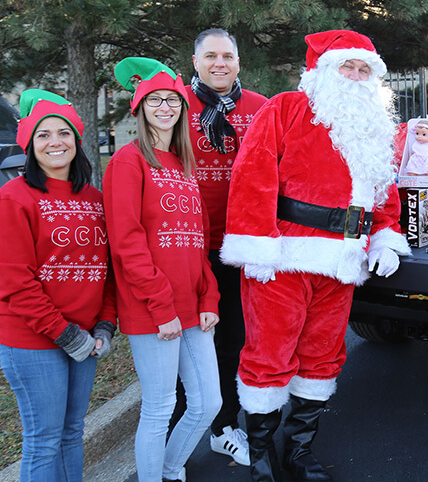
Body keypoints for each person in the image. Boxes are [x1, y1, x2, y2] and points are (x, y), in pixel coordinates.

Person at [220, 29, 410, 481]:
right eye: (349, 66)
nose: (357, 76)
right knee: (269, 356)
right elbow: (252, 175)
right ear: (323, 70)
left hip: (343, 262)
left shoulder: (374, 124)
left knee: (323, 357)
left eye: (365, 70)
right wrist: (257, 245)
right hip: (284, 257)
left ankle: (299, 450)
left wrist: (385, 236)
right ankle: (261, 452)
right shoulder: (286, 108)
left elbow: (384, 191)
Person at [104, 57, 222, 482]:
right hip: (154, 309)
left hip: (192, 307)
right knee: (158, 407)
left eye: (172, 99)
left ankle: (170, 469)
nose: (165, 107)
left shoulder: (186, 167)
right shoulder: (128, 161)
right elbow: (127, 241)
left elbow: (200, 242)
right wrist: (161, 306)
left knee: (208, 402)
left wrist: (209, 297)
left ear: (183, 107)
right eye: (154, 100)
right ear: (140, 108)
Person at [0, 90, 115, 481]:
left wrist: (104, 324)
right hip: (31, 339)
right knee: (44, 439)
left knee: (71, 434)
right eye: (44, 135)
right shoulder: (13, 197)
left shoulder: (95, 199)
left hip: (84, 336)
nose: (55, 142)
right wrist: (65, 334)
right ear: (30, 144)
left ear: (76, 141)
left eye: (63, 133)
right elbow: (15, 282)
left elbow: (106, 271)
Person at [170, 28, 268, 467]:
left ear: (238, 62)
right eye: (210, 56)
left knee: (233, 338)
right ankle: (179, 426)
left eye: (227, 56)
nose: (219, 64)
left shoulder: (260, 108)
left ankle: (225, 426)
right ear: (195, 62)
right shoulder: (175, 106)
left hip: (242, 243)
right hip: (187, 244)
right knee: (185, 339)